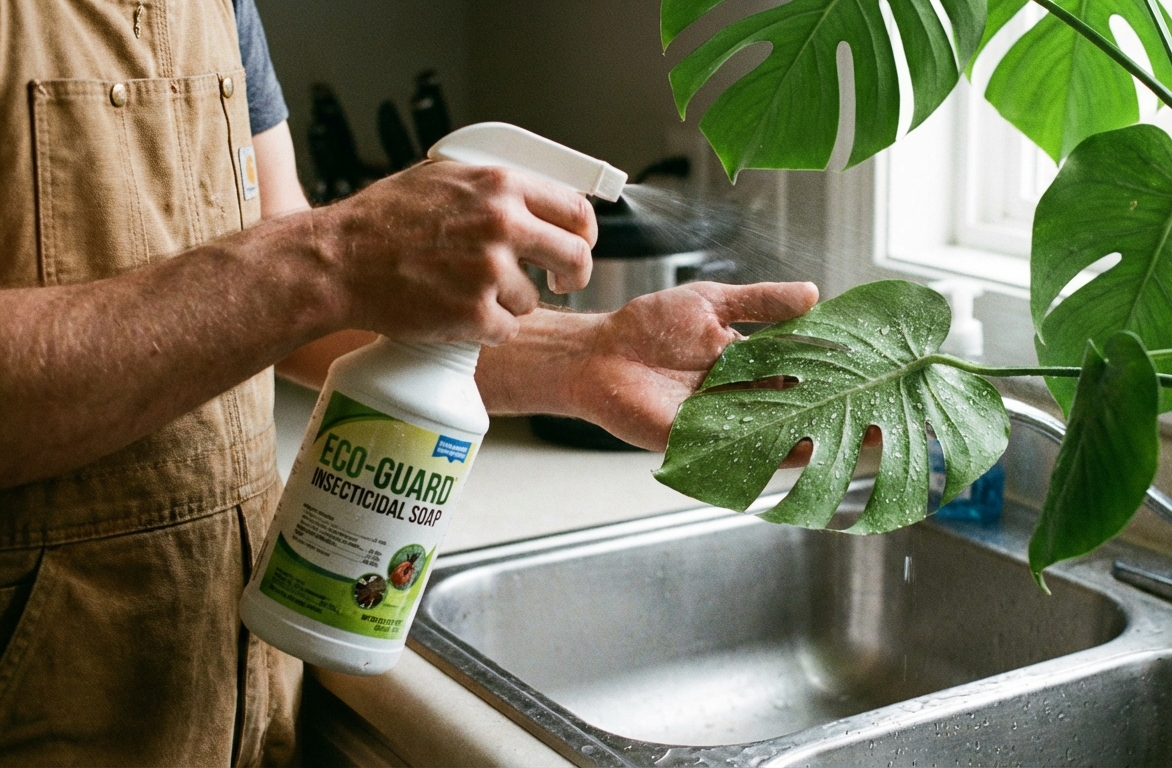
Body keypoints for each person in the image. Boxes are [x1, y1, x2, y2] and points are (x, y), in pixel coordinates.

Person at [0, 1, 817, 764]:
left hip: (220, 687)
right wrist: (337, 253)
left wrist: (585, 355)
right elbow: (301, 270)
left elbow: (277, 292)